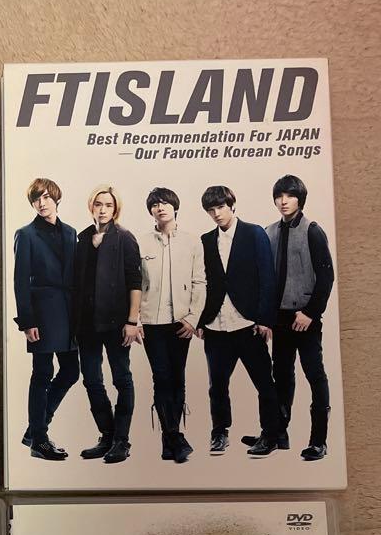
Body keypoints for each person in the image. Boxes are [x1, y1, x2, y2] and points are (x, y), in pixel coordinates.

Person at [247, 175, 336, 461]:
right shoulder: (269, 231)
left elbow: (326, 277)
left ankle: (318, 441)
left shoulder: (313, 230)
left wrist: (310, 313)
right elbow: (263, 278)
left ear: (300, 199)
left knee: (315, 375)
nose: (283, 201)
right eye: (279, 196)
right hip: (280, 319)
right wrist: (265, 317)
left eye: (290, 196)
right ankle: (276, 434)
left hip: (306, 317)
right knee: (281, 375)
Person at [197, 185, 282, 457]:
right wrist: (200, 320)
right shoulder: (206, 240)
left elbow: (267, 278)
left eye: (221, 207)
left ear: (232, 205)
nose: (217, 213)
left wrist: (265, 319)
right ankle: (219, 432)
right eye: (211, 210)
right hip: (216, 325)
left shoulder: (254, 233)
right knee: (217, 385)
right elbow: (202, 283)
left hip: (248, 324)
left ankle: (271, 435)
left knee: (264, 382)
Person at [73, 185, 142, 464]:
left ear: (116, 209)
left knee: (121, 379)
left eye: (108, 205)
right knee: (92, 380)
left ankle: (122, 440)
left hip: (116, 323)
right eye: (98, 204)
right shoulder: (82, 238)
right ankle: (107, 435)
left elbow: (136, 282)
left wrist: (132, 321)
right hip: (86, 324)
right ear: (91, 207)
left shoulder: (124, 238)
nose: (103, 209)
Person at [12, 177, 80, 460]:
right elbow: (20, 281)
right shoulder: (26, 234)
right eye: (36, 199)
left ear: (56, 198)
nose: (41, 203)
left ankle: (35, 429)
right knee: (42, 374)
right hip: (41, 314)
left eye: (46, 197)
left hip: (68, 312)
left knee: (71, 372)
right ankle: (39, 440)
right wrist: (27, 321)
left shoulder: (71, 232)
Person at [138, 187, 206, 463]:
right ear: (151, 211)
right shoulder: (141, 242)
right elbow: (134, 284)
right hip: (152, 322)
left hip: (181, 322)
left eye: (165, 203)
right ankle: (175, 437)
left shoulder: (192, 242)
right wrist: (136, 319)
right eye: (155, 204)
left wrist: (193, 318)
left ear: (175, 207)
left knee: (178, 377)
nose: (160, 207)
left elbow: (200, 282)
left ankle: (169, 442)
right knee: (161, 377)